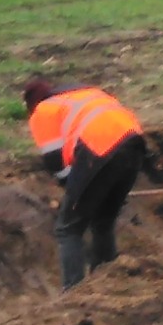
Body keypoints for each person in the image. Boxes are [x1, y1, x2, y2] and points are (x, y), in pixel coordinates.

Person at [22, 78, 147, 290]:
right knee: (103, 221)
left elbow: (55, 162)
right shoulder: (86, 93)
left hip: (98, 148)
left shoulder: (43, 110)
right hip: (134, 144)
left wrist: (72, 193)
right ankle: (110, 283)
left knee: (68, 228)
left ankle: (74, 294)